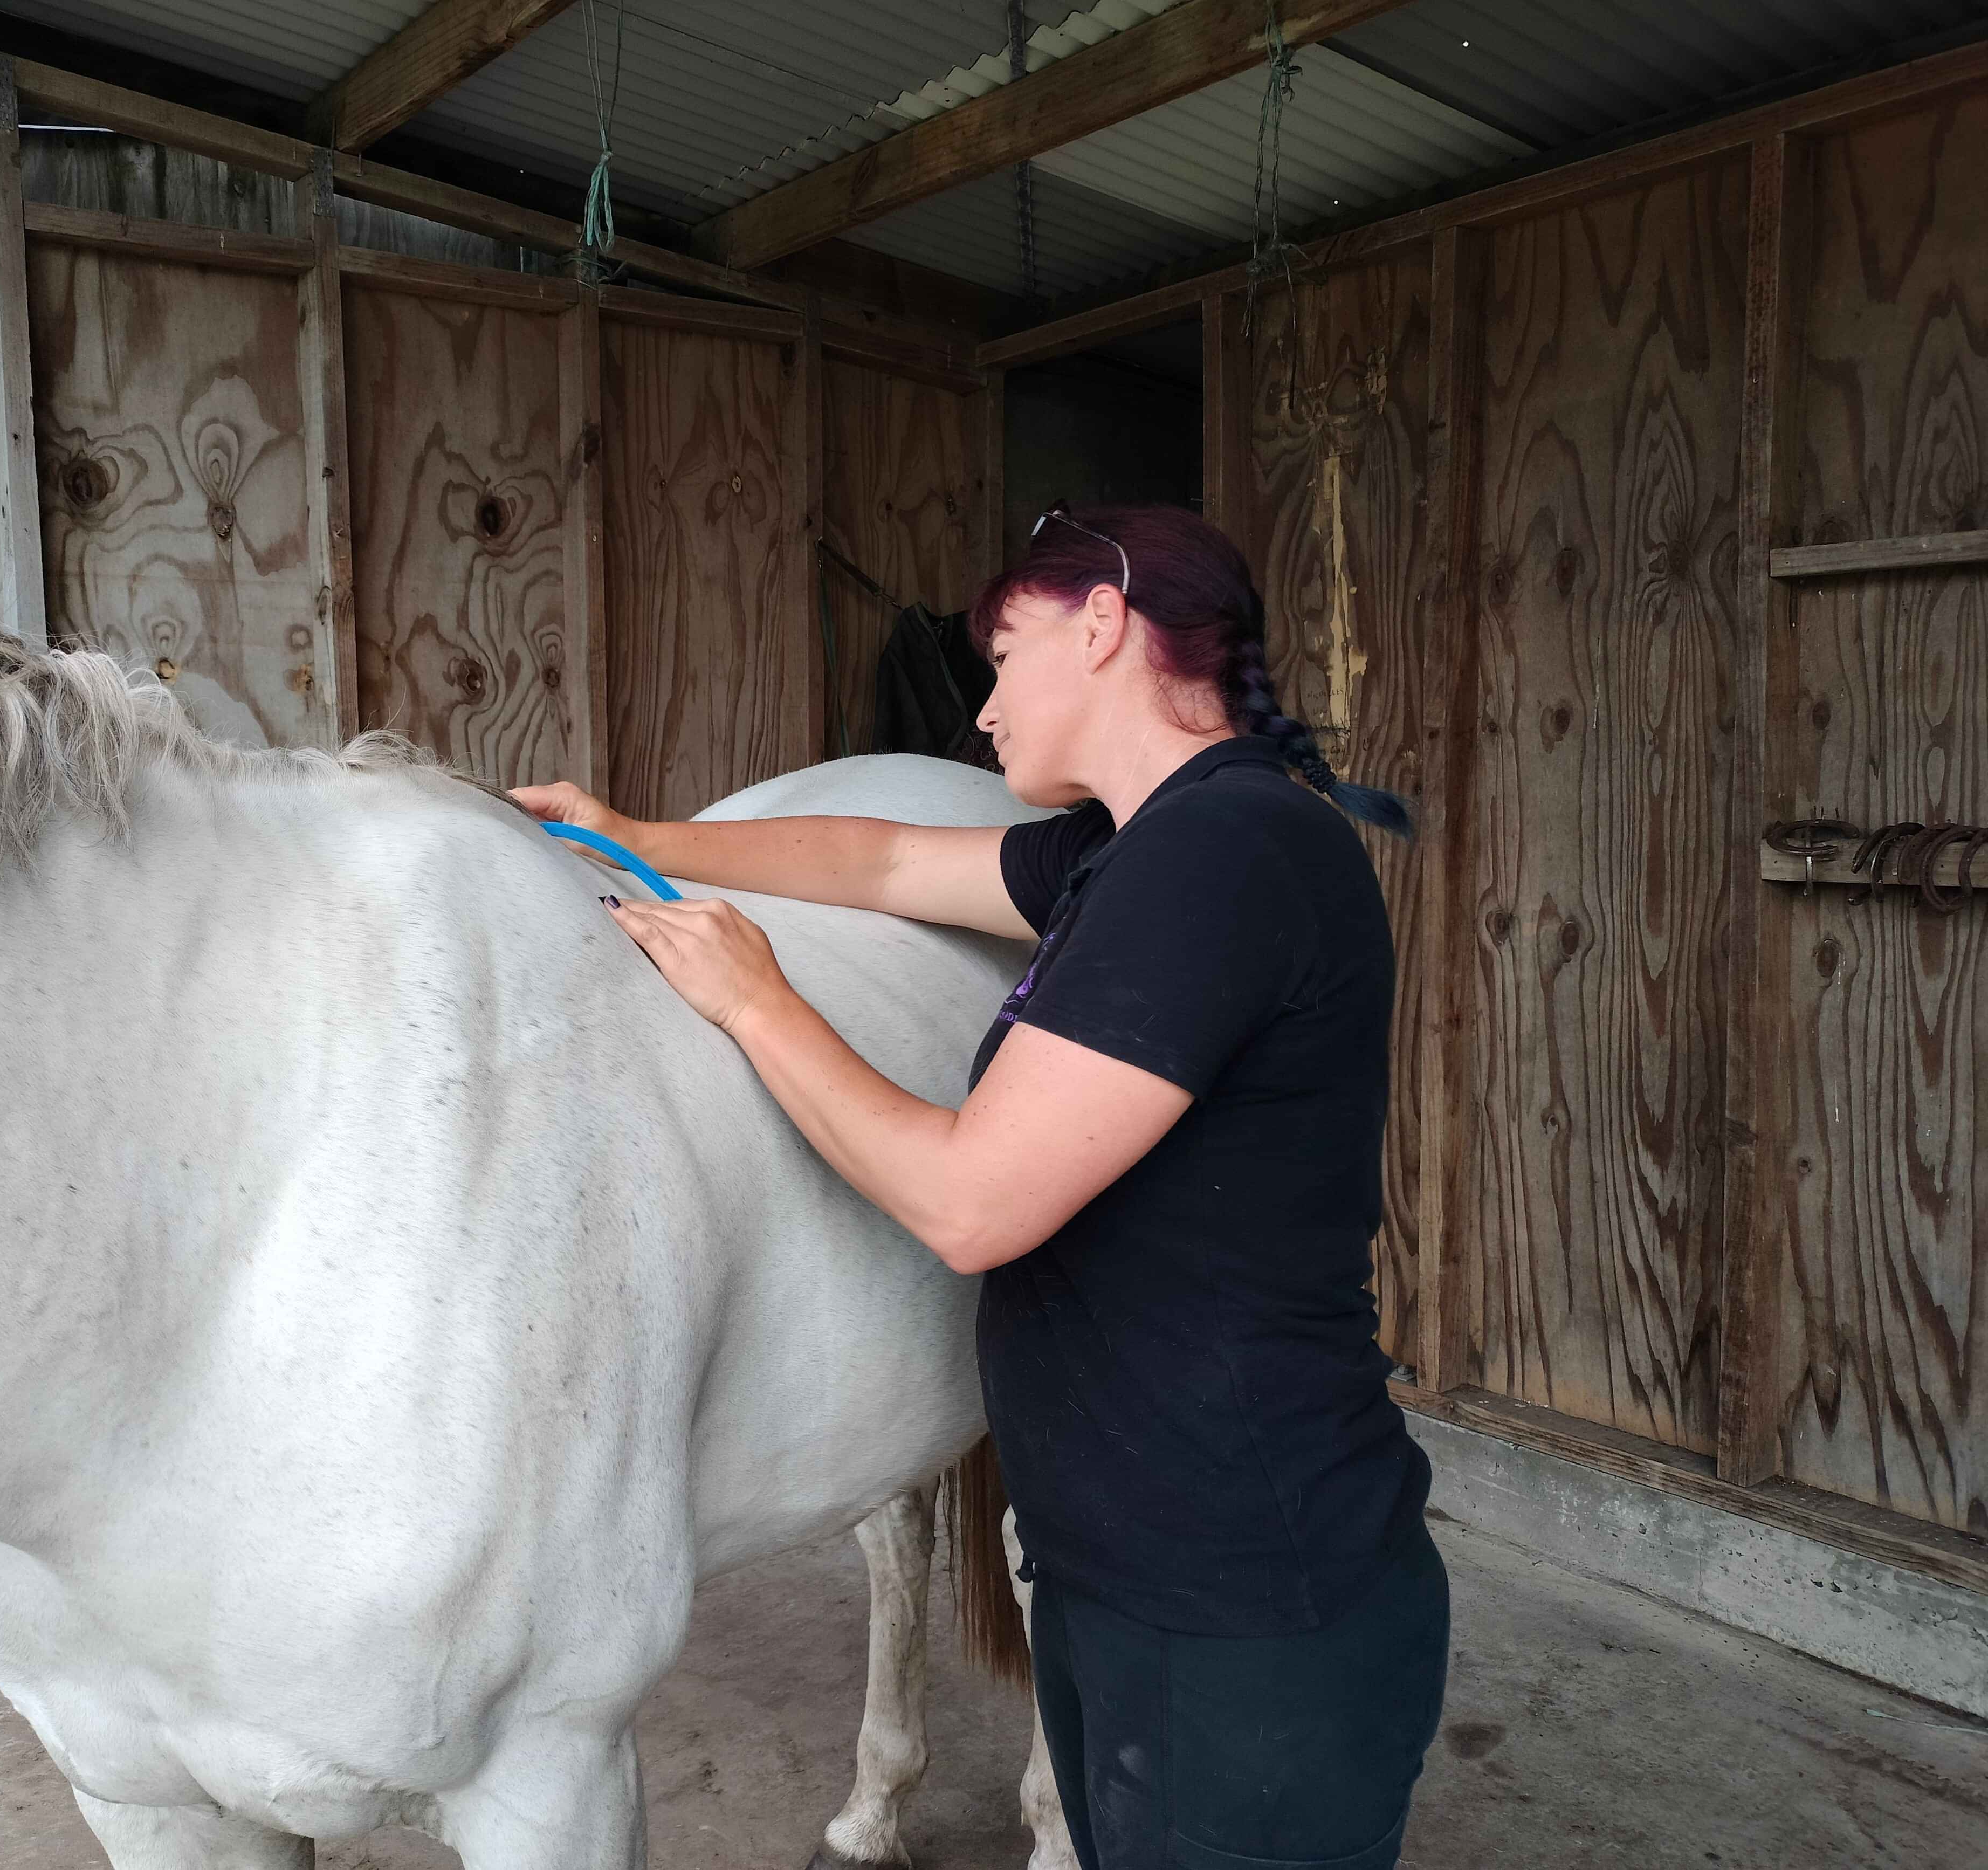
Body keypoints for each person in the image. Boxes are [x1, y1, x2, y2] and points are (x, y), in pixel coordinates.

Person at [513, 501, 1446, 1870]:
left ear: (1103, 622)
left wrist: (756, 1001)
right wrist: (628, 829)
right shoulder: (1123, 852)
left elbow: (969, 1206)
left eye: (1001, 660)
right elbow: (882, 858)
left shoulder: (1225, 855)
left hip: (1242, 1590)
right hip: (1132, 1563)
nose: (988, 707)